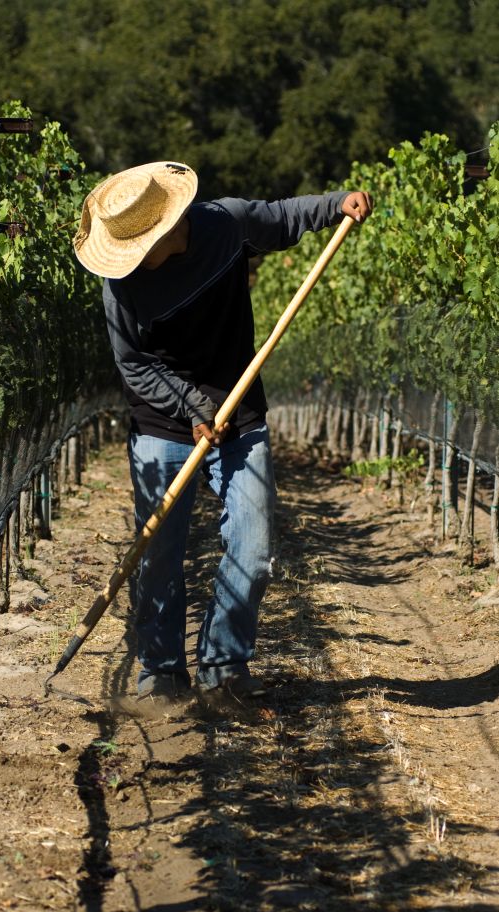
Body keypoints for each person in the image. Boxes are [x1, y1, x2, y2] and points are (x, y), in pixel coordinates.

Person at [73, 161, 372, 702]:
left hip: (240, 414)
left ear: (165, 229)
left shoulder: (224, 226)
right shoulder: (120, 286)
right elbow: (134, 365)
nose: (132, 262)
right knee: (160, 555)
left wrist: (336, 205)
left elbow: (279, 218)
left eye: (139, 249)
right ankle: (161, 672)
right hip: (162, 422)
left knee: (253, 545)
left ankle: (223, 667)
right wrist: (192, 407)